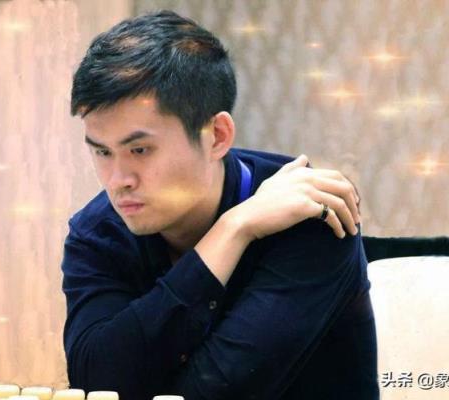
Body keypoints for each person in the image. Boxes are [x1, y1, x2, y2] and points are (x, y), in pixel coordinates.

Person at [61, 10, 379, 400]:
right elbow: (96, 385)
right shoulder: (99, 230)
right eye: (102, 152)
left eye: (139, 150)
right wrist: (234, 229)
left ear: (217, 136)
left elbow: (216, 391)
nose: (117, 180)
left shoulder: (309, 214)